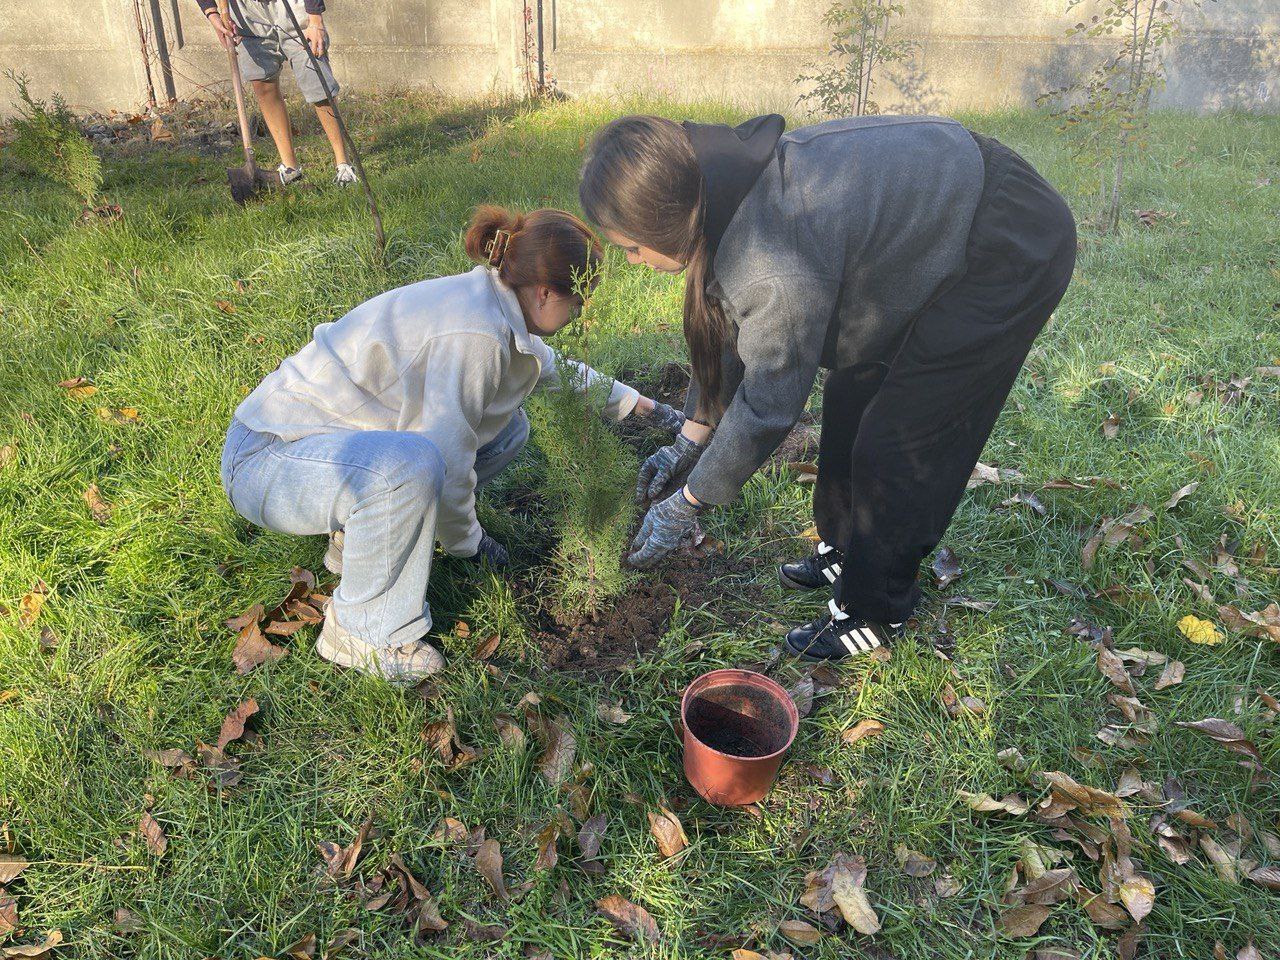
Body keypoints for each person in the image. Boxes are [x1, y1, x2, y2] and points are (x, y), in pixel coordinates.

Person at [579, 113, 1076, 662]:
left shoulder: (769, 262)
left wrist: (689, 501)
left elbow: (768, 402)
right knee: (849, 397)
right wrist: (689, 438)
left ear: (668, 223)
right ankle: (846, 547)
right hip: (928, 223)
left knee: (898, 440)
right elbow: (726, 325)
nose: (632, 261)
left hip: (1003, 239)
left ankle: (874, 610)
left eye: (629, 247)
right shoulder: (715, 186)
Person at [220, 206, 685, 683]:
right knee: (416, 465)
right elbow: (448, 455)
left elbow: (556, 371)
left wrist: (642, 407)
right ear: (546, 293)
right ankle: (361, 631)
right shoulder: (475, 334)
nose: (580, 314)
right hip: (269, 456)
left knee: (509, 428)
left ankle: (360, 538)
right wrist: (469, 543)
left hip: (330, 450)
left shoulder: (496, 303)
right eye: (579, 302)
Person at [200, 0, 356, 186]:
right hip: (246, 13)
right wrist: (212, 14)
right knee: (263, 83)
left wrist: (315, 20)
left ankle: (343, 165)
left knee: (319, 86)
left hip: (291, 6)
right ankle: (290, 168)